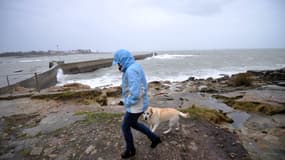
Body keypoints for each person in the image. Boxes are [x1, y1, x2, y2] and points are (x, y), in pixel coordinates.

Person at [112, 49, 162, 159]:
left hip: (136, 106)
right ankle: (154, 138)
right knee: (133, 124)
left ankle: (131, 150)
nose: (118, 66)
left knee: (125, 127)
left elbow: (135, 94)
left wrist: (126, 102)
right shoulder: (134, 66)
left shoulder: (131, 71)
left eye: (118, 63)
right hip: (140, 103)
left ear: (123, 61)